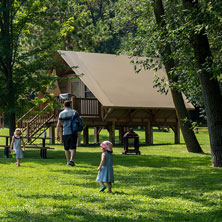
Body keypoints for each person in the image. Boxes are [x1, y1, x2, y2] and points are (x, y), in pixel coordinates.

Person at [57, 100, 78, 166]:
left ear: (64, 105)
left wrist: (57, 134)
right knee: (73, 147)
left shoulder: (62, 113)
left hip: (65, 132)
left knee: (66, 148)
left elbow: (58, 124)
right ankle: (72, 160)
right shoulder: (74, 112)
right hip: (73, 131)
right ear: (70, 105)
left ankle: (68, 161)